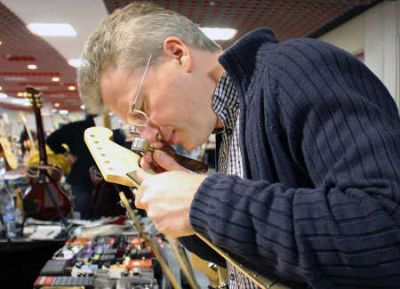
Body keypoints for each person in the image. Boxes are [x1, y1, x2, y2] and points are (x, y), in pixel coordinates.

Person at [78, 2, 400, 289]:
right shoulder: (229, 123)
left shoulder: (295, 68)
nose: (148, 135)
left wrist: (203, 199)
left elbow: (384, 229)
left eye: (142, 107)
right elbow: (264, 252)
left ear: (178, 54)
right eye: (135, 125)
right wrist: (189, 214)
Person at [46, 114, 97, 219]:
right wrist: (67, 154)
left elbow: (51, 140)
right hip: (92, 177)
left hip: (81, 176)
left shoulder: (75, 126)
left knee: (83, 217)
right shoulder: (108, 127)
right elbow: (51, 140)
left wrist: (66, 154)